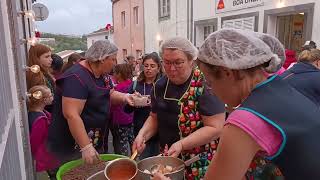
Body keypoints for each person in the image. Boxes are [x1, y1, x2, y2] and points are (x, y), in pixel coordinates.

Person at [197, 28, 320, 179]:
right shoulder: (284, 88)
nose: (211, 90)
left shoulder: (243, 121)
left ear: (227, 72)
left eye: (209, 82)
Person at [132, 37, 225, 179]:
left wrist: (182, 144)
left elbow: (216, 128)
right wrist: (142, 135)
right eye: (167, 63)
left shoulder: (205, 85)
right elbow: (154, 117)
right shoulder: (160, 86)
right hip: (169, 158)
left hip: (199, 161)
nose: (171, 68)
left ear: (191, 61)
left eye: (178, 62)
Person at [47, 40, 135, 165]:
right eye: (113, 59)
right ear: (102, 59)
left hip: (94, 138)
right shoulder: (76, 77)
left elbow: (109, 93)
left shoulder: (102, 75)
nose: (115, 63)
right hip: (72, 146)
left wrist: (126, 97)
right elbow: (71, 114)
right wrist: (86, 146)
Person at [124, 52, 162, 159]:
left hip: (159, 132)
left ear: (158, 68)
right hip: (139, 130)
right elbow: (126, 110)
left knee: (157, 162)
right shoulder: (136, 84)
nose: (148, 69)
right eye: (146, 66)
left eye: (152, 66)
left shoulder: (162, 85)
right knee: (143, 162)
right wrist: (134, 102)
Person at [27, 85, 59, 179]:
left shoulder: (39, 113)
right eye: (50, 95)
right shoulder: (40, 120)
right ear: (44, 100)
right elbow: (35, 143)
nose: (52, 97)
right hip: (45, 158)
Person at [110, 63, 134, 156]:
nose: (113, 75)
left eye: (115, 73)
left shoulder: (117, 88)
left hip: (119, 120)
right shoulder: (132, 84)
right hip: (130, 119)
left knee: (121, 144)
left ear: (119, 74)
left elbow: (112, 104)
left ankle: (123, 162)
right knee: (132, 140)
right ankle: (135, 160)